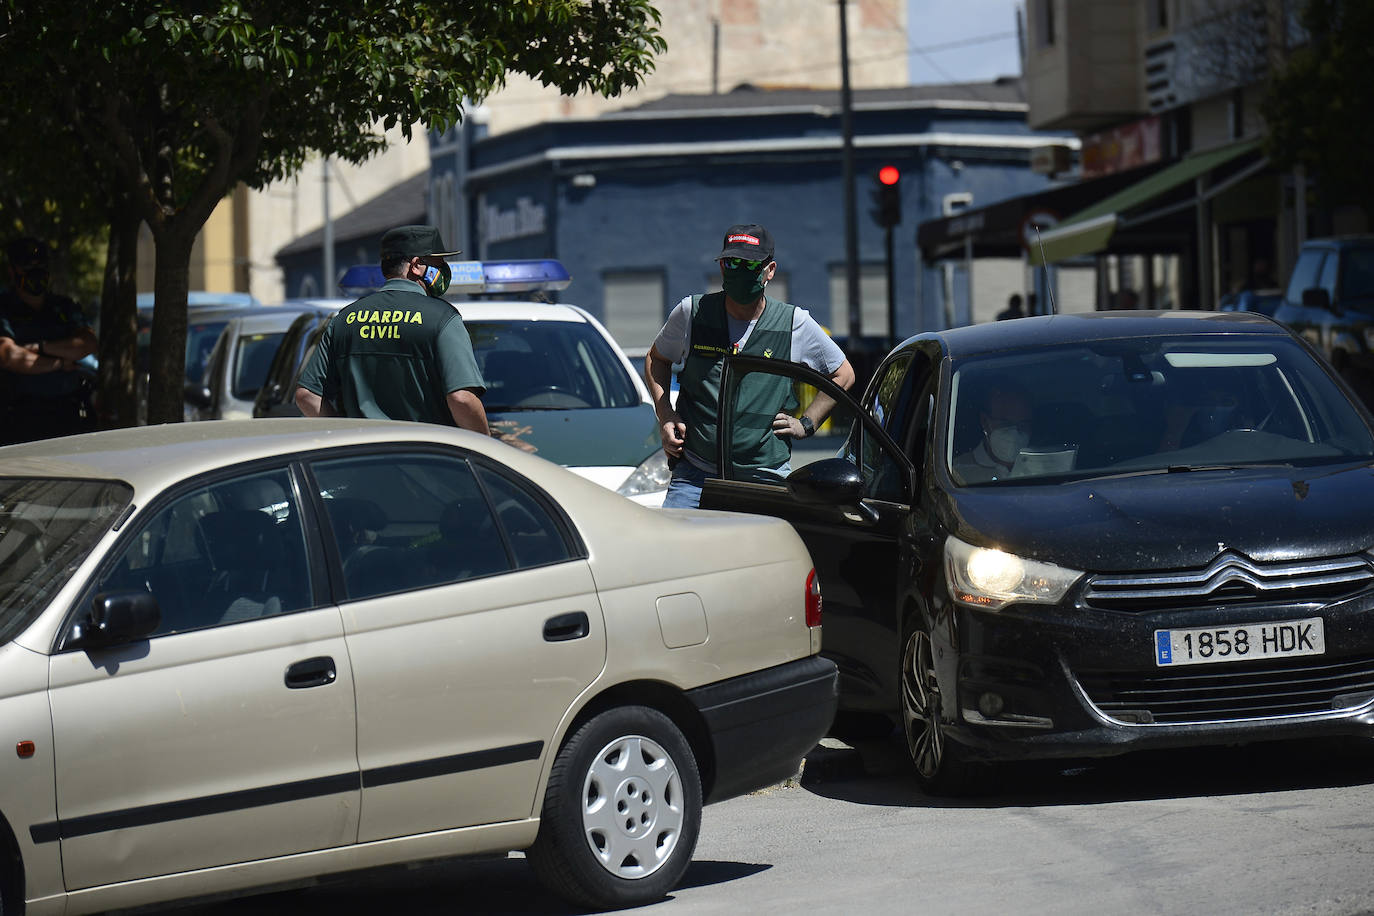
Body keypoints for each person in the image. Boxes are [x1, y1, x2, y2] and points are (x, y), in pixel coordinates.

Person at [644, 223, 855, 508]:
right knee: (680, 551)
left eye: (749, 264)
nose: (739, 271)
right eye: (731, 262)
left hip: (764, 478)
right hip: (695, 476)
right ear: (721, 267)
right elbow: (657, 358)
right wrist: (666, 414)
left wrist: (807, 423)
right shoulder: (692, 313)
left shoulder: (793, 323)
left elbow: (842, 374)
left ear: (770, 271)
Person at [295, 225, 489, 434]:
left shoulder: (344, 319)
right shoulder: (443, 318)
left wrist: (344, 433)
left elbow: (306, 395)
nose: (443, 269)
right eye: (438, 263)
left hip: (360, 460)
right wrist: (486, 444)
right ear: (416, 265)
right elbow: (461, 398)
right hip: (428, 460)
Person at [0, 237, 98, 445]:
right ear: (13, 271)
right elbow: (9, 356)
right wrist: (60, 362)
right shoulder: (5, 309)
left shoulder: (63, 308)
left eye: (41, 265)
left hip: (67, 417)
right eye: (28, 265)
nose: (36, 271)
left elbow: (87, 343)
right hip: (18, 420)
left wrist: (40, 348)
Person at [952, 381, 1033, 484]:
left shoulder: (1045, 468)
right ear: (985, 422)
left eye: (1022, 424)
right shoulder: (957, 472)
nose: (1014, 433)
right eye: (1005, 423)